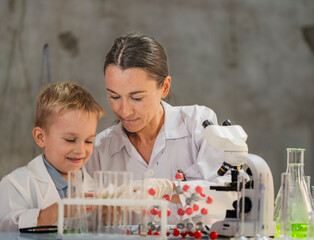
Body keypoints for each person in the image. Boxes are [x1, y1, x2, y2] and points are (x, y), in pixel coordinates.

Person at [85, 33, 234, 224]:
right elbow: (83, 221)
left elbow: (232, 196)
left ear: (164, 87)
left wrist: (171, 189)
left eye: (136, 98)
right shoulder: (100, 149)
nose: (124, 111)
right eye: (114, 97)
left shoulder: (197, 124)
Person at [0, 82, 104, 231]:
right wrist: (57, 211)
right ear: (41, 137)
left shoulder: (95, 186)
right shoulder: (15, 185)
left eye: (89, 141)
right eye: (70, 139)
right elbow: (6, 229)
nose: (81, 150)